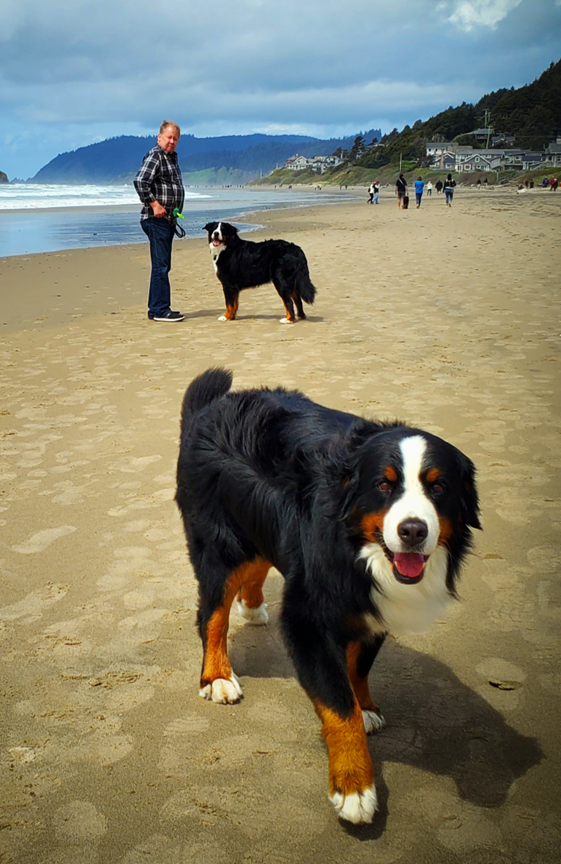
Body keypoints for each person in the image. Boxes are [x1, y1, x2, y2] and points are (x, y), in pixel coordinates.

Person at [134, 121, 185, 322]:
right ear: (159, 137)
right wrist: (154, 204)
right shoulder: (156, 155)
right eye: (169, 137)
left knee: (163, 265)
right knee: (160, 266)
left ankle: (158, 307)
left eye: (175, 139)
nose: (172, 141)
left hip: (168, 220)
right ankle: (159, 309)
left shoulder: (171, 158)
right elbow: (140, 181)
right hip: (155, 219)